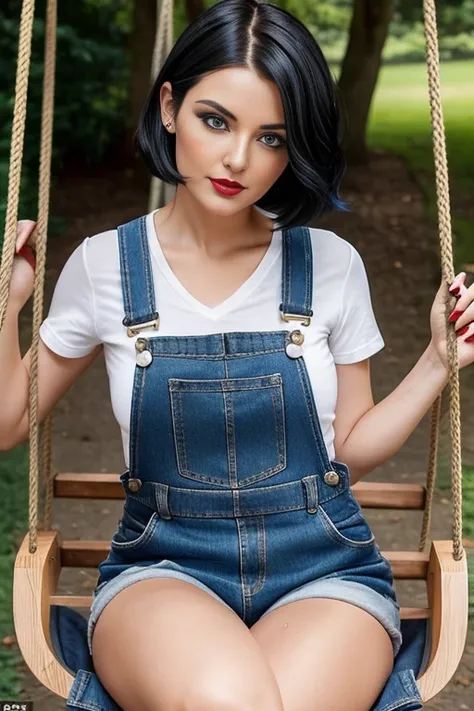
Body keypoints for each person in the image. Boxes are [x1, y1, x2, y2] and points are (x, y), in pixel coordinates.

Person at [2, 0, 473, 709]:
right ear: (169, 106)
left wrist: (438, 359)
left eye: (273, 138)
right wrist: (6, 304)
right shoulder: (107, 268)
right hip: (163, 569)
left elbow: (349, 442)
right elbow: (8, 423)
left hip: (324, 569)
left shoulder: (329, 267)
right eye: (215, 119)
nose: (239, 159)